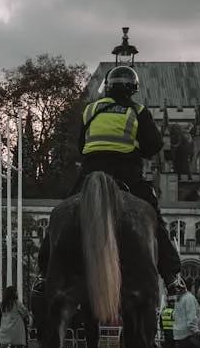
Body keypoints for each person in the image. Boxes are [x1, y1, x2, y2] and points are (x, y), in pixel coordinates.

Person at [34, 65, 185, 310]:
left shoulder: (91, 109)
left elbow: (82, 144)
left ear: (108, 87)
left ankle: (43, 273)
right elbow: (154, 146)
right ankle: (172, 276)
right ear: (132, 90)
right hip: (126, 173)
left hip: (90, 172)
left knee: (59, 218)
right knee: (155, 221)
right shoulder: (138, 111)